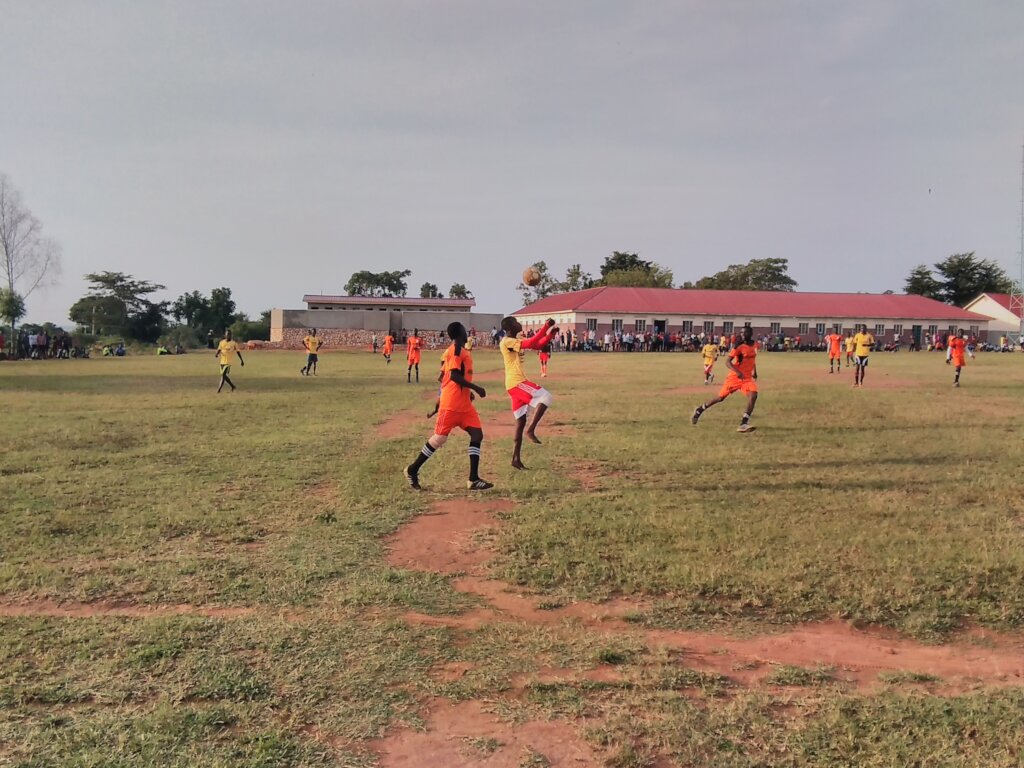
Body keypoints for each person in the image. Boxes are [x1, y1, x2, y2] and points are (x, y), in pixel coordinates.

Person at [404, 322, 492, 491]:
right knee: (439, 438)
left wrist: (467, 391)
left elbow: (443, 377)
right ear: (460, 333)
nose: (467, 334)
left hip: (464, 405)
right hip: (451, 404)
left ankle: (473, 479)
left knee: (477, 434)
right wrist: (476, 388)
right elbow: (453, 376)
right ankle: (412, 469)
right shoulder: (456, 349)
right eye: (465, 331)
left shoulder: (457, 351)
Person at [499, 316, 559, 469]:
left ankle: (516, 459)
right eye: (517, 322)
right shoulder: (507, 341)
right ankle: (531, 430)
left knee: (520, 422)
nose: (519, 324)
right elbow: (532, 342)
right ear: (511, 327)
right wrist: (545, 327)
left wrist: (551, 335)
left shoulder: (515, 340)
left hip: (514, 383)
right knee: (546, 397)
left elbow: (537, 345)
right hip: (516, 383)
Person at [691, 325, 758, 432]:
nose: (742, 335)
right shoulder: (739, 347)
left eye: (744, 333)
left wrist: (755, 371)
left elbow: (752, 359)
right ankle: (700, 409)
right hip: (735, 377)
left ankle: (744, 423)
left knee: (753, 395)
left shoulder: (755, 345)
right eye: (741, 333)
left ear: (750, 333)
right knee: (720, 398)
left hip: (747, 378)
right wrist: (737, 372)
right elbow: (727, 362)